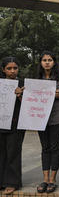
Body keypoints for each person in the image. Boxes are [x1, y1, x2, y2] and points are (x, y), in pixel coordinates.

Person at [36, 51, 59, 193]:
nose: (47, 62)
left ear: (54, 62)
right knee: (45, 147)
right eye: (44, 60)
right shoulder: (36, 78)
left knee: (55, 146)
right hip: (40, 115)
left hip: (58, 115)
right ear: (40, 62)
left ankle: (53, 179)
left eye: (49, 60)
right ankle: (45, 179)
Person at [0, 57, 25, 195]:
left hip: (16, 124)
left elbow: (29, 105)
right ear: (3, 69)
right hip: (1, 123)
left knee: (13, 153)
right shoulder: (0, 83)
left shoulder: (23, 83)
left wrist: (21, 95)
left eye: (15, 68)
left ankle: (12, 182)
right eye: (9, 68)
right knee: (1, 152)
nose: (12, 71)